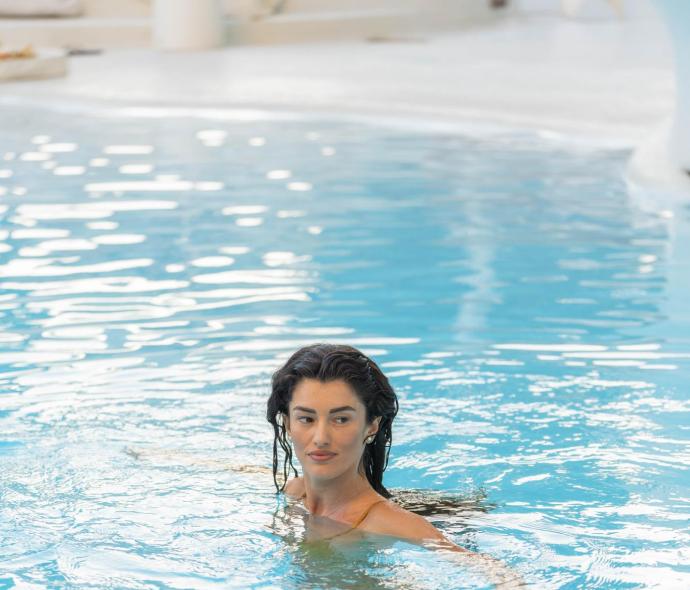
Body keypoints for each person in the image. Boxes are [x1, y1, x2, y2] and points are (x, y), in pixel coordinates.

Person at [266, 343, 524, 588]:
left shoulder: (385, 522)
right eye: (306, 418)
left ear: (371, 425)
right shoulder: (294, 493)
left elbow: (499, 574)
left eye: (341, 419)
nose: (321, 438)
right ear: (288, 423)